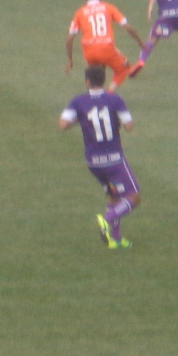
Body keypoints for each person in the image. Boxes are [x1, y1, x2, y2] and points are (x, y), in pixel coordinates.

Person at [59, 65, 141, 250]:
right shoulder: (115, 100)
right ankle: (107, 220)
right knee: (134, 197)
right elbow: (129, 126)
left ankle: (116, 239)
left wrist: (81, 120)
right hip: (114, 159)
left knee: (114, 197)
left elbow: (63, 124)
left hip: (93, 162)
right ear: (104, 80)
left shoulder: (78, 102)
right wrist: (117, 122)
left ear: (87, 82)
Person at [66, 0, 147, 89]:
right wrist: (140, 42)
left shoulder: (80, 12)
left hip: (89, 51)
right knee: (123, 69)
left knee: (96, 77)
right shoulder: (109, 7)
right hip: (106, 48)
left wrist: (70, 60)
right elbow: (127, 27)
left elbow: (70, 39)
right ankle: (109, 94)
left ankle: (94, 98)